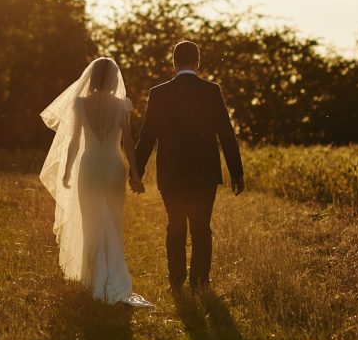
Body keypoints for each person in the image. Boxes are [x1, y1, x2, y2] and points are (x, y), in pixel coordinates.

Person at [40, 57, 152, 306]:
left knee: (91, 223)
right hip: (113, 166)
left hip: (89, 165)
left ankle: (93, 280)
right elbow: (128, 144)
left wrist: (68, 171)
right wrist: (135, 174)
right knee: (112, 222)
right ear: (114, 78)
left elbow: (73, 142)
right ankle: (114, 281)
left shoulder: (80, 104)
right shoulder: (122, 104)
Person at [134, 40, 244, 292]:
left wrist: (136, 172)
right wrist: (236, 173)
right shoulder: (211, 90)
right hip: (204, 173)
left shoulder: (158, 93)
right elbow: (226, 133)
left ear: (174, 63)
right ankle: (200, 281)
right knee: (201, 226)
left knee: (175, 224)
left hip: (170, 173)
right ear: (198, 62)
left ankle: (176, 280)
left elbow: (147, 136)